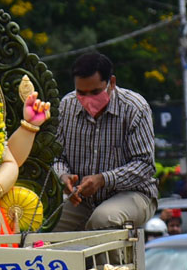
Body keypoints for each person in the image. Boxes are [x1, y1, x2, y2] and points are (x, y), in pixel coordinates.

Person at [52, 52, 157, 231]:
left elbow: (145, 165)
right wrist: (63, 177)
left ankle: (110, 261)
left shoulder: (135, 108)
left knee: (103, 220)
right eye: (81, 93)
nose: (88, 99)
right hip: (82, 199)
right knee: (46, 223)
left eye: (95, 92)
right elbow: (57, 158)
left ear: (112, 83)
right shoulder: (66, 106)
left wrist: (103, 179)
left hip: (133, 193)